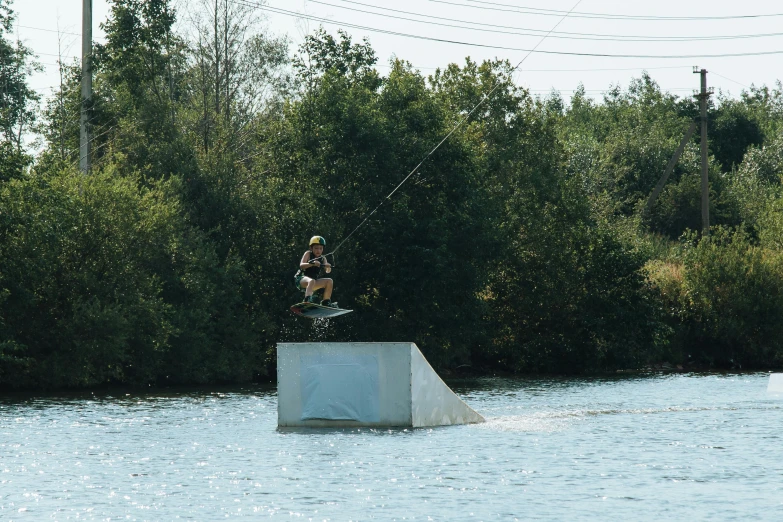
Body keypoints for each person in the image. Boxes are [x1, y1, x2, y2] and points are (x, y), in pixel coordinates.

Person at [294, 236, 337, 307]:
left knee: (329, 281)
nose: (318, 250)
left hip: (313, 282)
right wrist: (312, 264)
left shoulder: (323, 258)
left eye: (321, 248)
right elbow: (301, 265)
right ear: (311, 248)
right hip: (300, 280)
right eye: (316, 248)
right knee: (312, 281)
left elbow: (328, 271)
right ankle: (307, 300)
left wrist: (328, 267)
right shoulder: (308, 254)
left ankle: (326, 302)